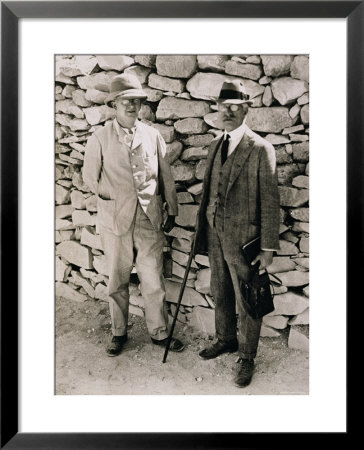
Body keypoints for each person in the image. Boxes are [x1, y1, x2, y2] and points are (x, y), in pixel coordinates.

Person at [83, 73, 184, 356]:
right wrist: (113, 202)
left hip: (149, 220)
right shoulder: (100, 138)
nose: (131, 106)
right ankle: (119, 333)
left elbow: (165, 176)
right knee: (117, 281)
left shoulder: (152, 136)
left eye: (136, 101)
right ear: (114, 104)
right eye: (125, 101)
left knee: (153, 281)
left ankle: (159, 333)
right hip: (115, 222)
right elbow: (90, 179)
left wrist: (171, 210)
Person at [193, 80, 280, 387]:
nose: (227, 112)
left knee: (248, 299)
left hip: (245, 240)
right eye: (223, 106)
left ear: (246, 109)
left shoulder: (260, 149)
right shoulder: (217, 144)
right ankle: (226, 339)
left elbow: (271, 202)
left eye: (234, 107)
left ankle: (247, 356)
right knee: (220, 289)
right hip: (216, 233)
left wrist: (268, 247)